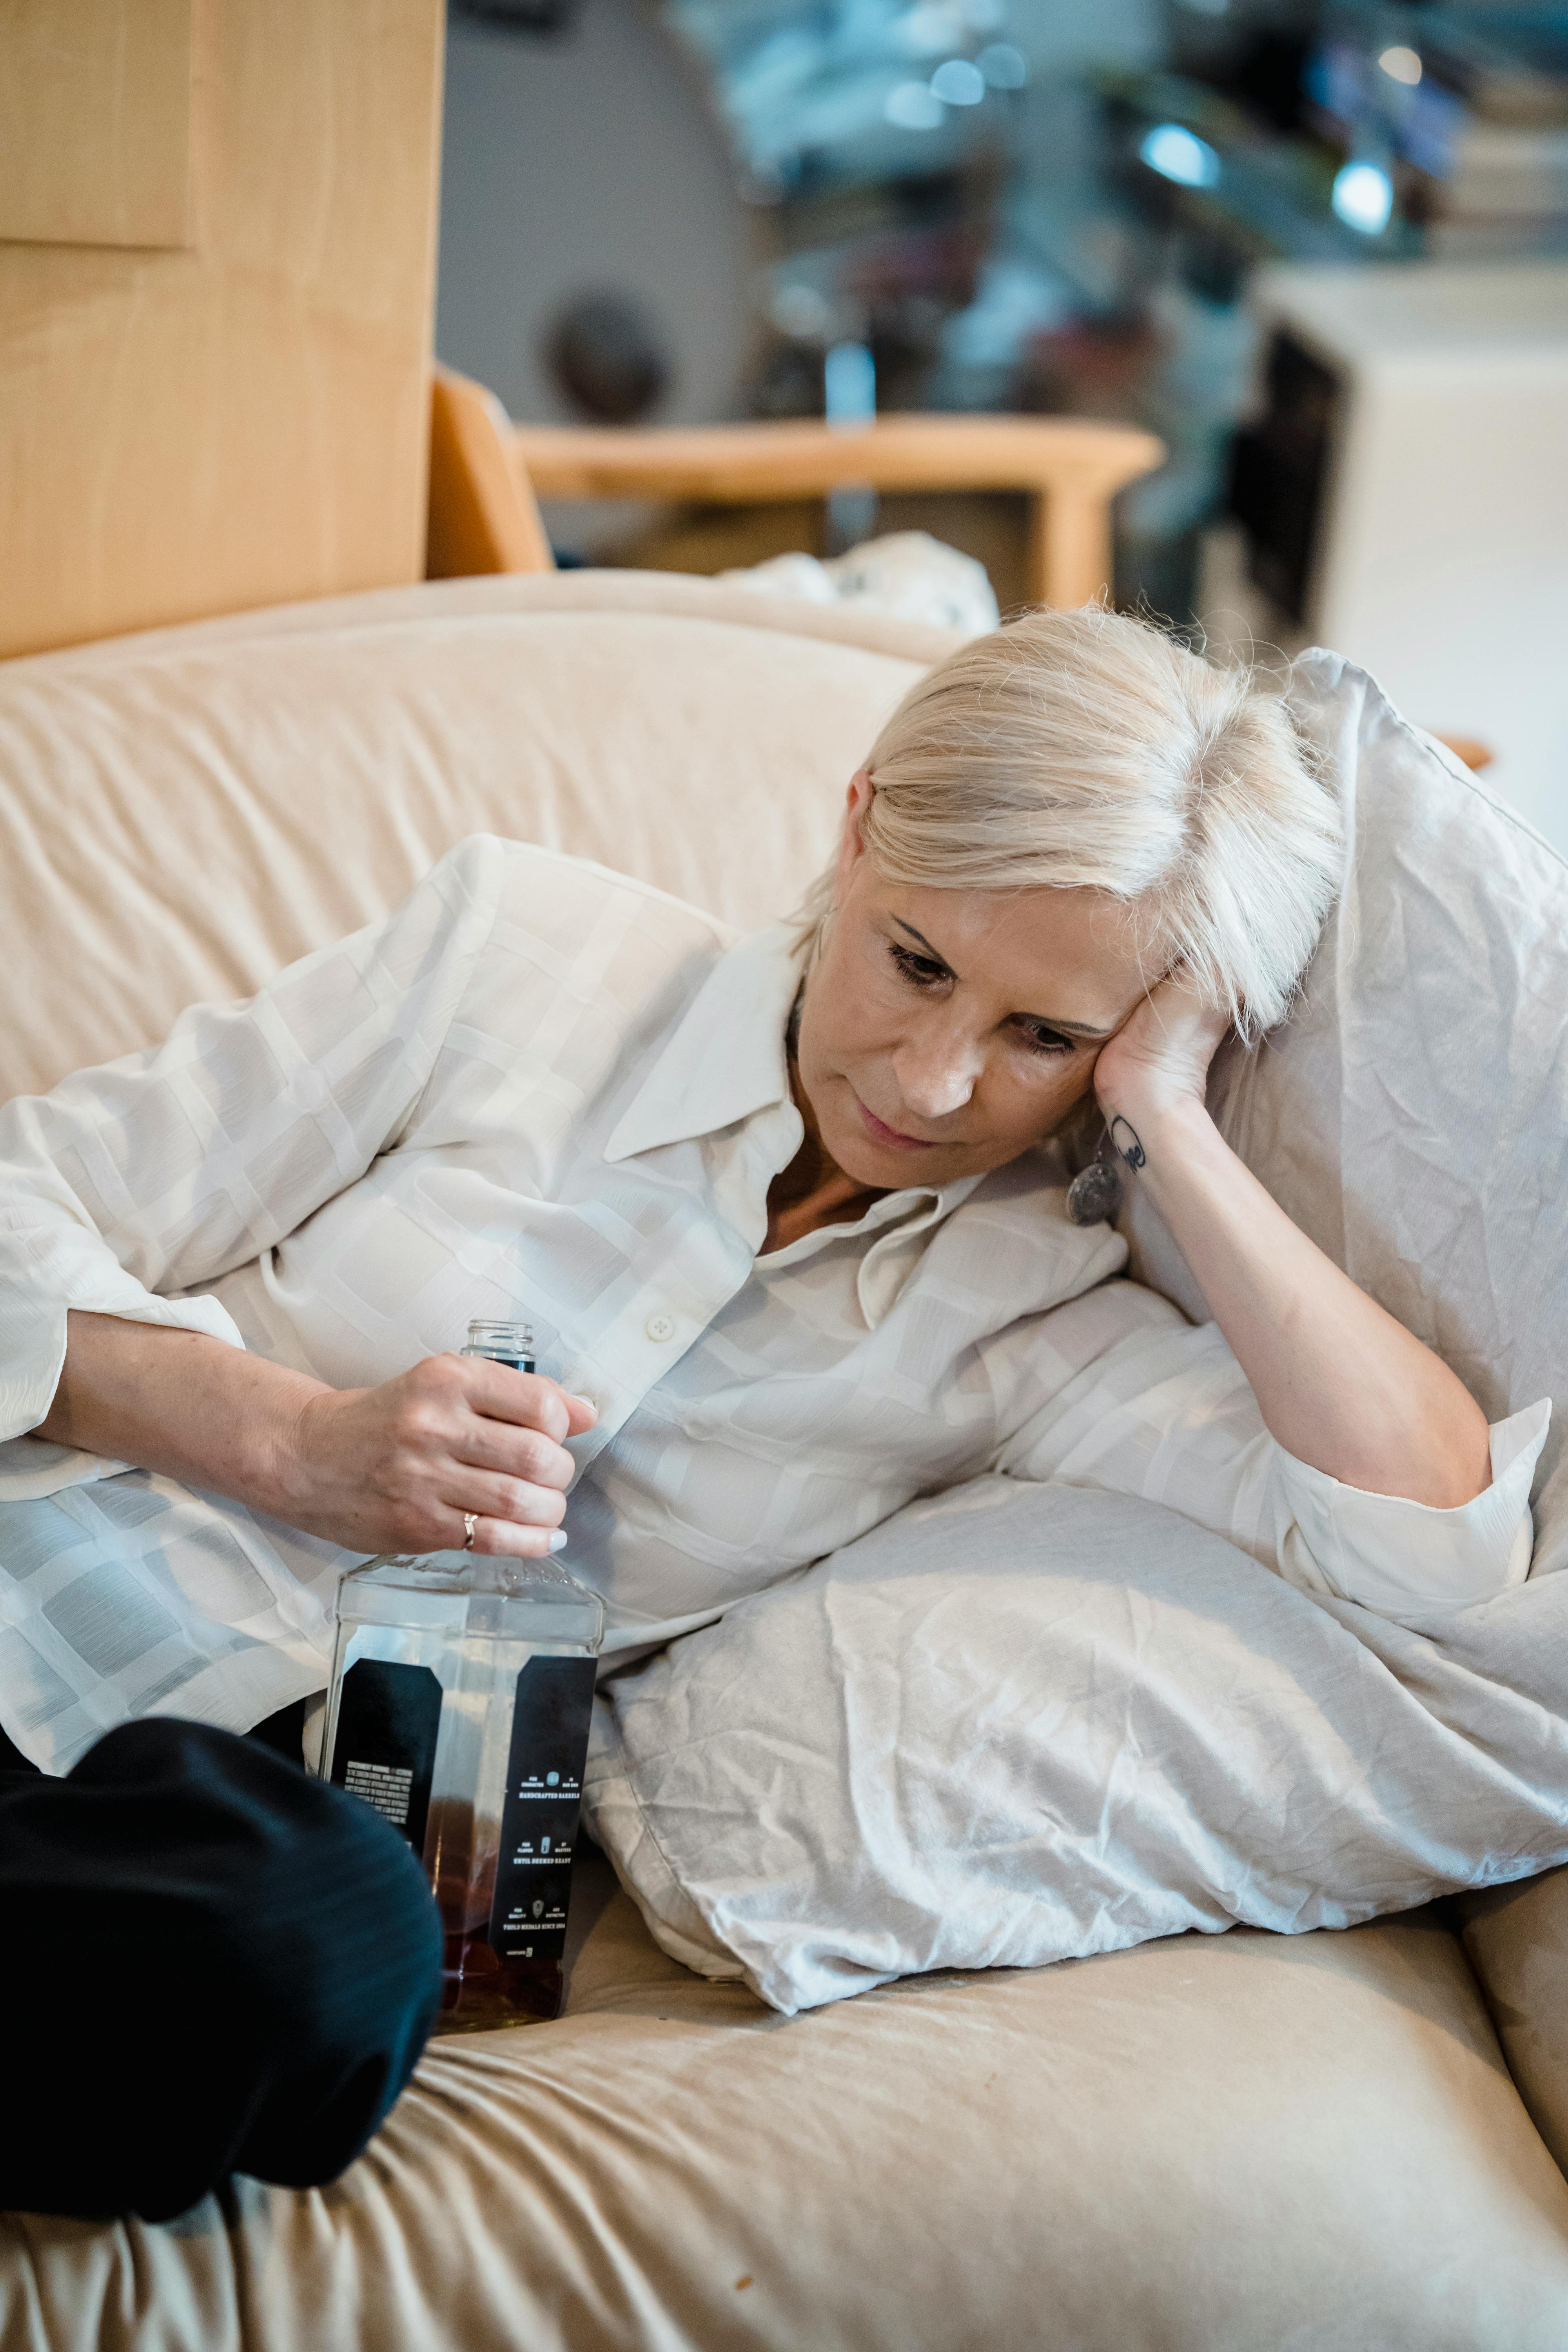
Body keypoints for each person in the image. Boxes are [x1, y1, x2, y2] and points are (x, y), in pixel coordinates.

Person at [0, 606, 1546, 2218]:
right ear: (861, 822)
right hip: (33, 1575)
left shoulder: (1029, 1317)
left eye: (1044, 1035)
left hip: (187, 1850)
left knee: (327, 1957)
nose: (931, 1085)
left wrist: (1170, 1121)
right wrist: (287, 1442)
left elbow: (1426, 1537)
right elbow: (22, 1198)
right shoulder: (522, 956)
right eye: (917, 962)